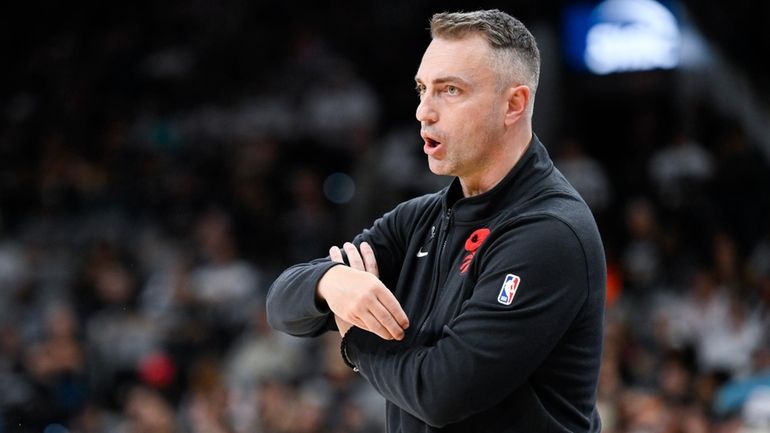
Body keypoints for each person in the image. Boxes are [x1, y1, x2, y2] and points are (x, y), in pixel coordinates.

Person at [267, 9, 606, 432]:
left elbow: (442, 392)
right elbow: (281, 304)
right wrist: (329, 284)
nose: (424, 112)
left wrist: (355, 337)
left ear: (513, 105)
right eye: (422, 89)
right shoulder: (422, 218)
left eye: (450, 90)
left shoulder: (549, 232)